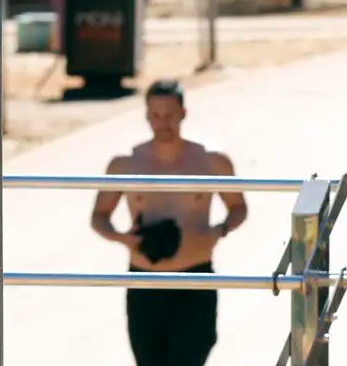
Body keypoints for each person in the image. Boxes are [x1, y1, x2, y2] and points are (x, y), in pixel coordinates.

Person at [90, 80, 247, 366]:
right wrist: (124, 238)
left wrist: (218, 231)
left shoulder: (211, 162)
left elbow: (238, 207)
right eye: (155, 115)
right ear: (147, 116)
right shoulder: (125, 165)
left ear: (183, 113)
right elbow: (99, 216)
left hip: (195, 280)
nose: (162, 123)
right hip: (144, 282)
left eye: (169, 115)